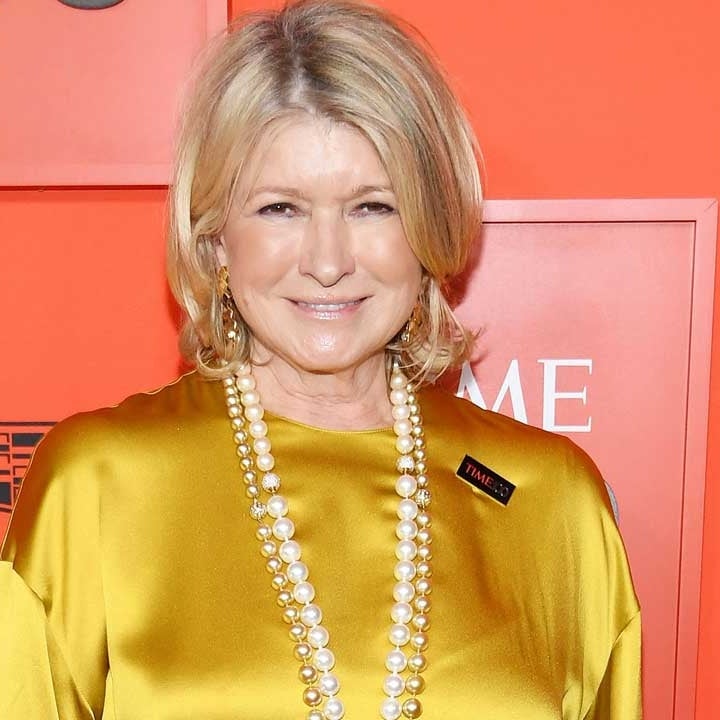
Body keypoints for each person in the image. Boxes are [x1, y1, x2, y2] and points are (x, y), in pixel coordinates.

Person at [0, 1, 641, 718]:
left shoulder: (553, 501)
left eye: (373, 207)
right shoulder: (95, 484)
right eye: (281, 208)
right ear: (215, 238)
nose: (328, 262)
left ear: (428, 230)